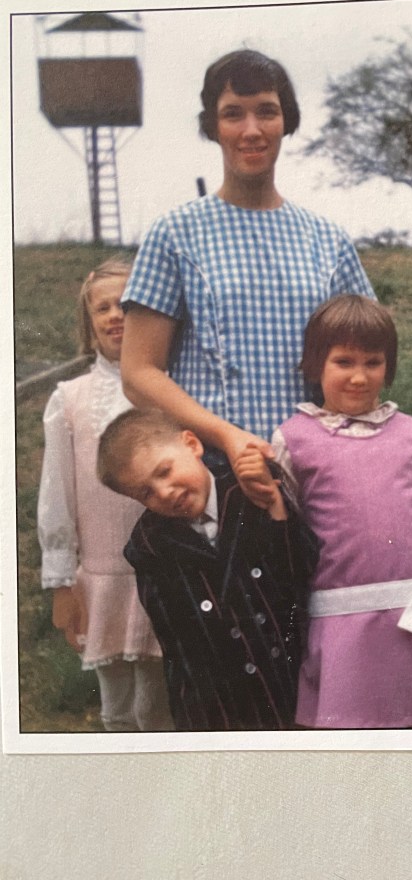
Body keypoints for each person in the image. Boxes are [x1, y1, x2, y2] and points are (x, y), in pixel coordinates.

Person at [120, 48, 374, 503]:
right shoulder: (175, 233)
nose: (251, 130)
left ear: (285, 121)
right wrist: (228, 436)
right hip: (215, 474)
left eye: (267, 112)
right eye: (233, 113)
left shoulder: (328, 239)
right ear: (213, 126)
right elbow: (138, 373)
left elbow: (368, 356)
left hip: (317, 476)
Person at [253, 294, 412, 728]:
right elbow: (286, 539)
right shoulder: (293, 439)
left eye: (373, 362)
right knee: (351, 743)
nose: (359, 377)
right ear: (316, 364)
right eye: (344, 362)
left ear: (389, 367)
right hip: (341, 629)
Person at [97, 408, 317, 730]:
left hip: (291, 687)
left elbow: (302, 570)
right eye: (146, 493)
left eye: (165, 472)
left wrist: (274, 504)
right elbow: (179, 649)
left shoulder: (251, 492)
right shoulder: (151, 549)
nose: (164, 493)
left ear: (192, 444)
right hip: (224, 711)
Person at [37, 258, 172, 732]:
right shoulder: (69, 398)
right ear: (89, 321)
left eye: (127, 305)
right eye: (103, 308)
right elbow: (57, 495)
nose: (116, 316)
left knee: (156, 708)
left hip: (167, 576)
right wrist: (62, 584)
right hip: (102, 578)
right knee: (117, 710)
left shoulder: (171, 389)